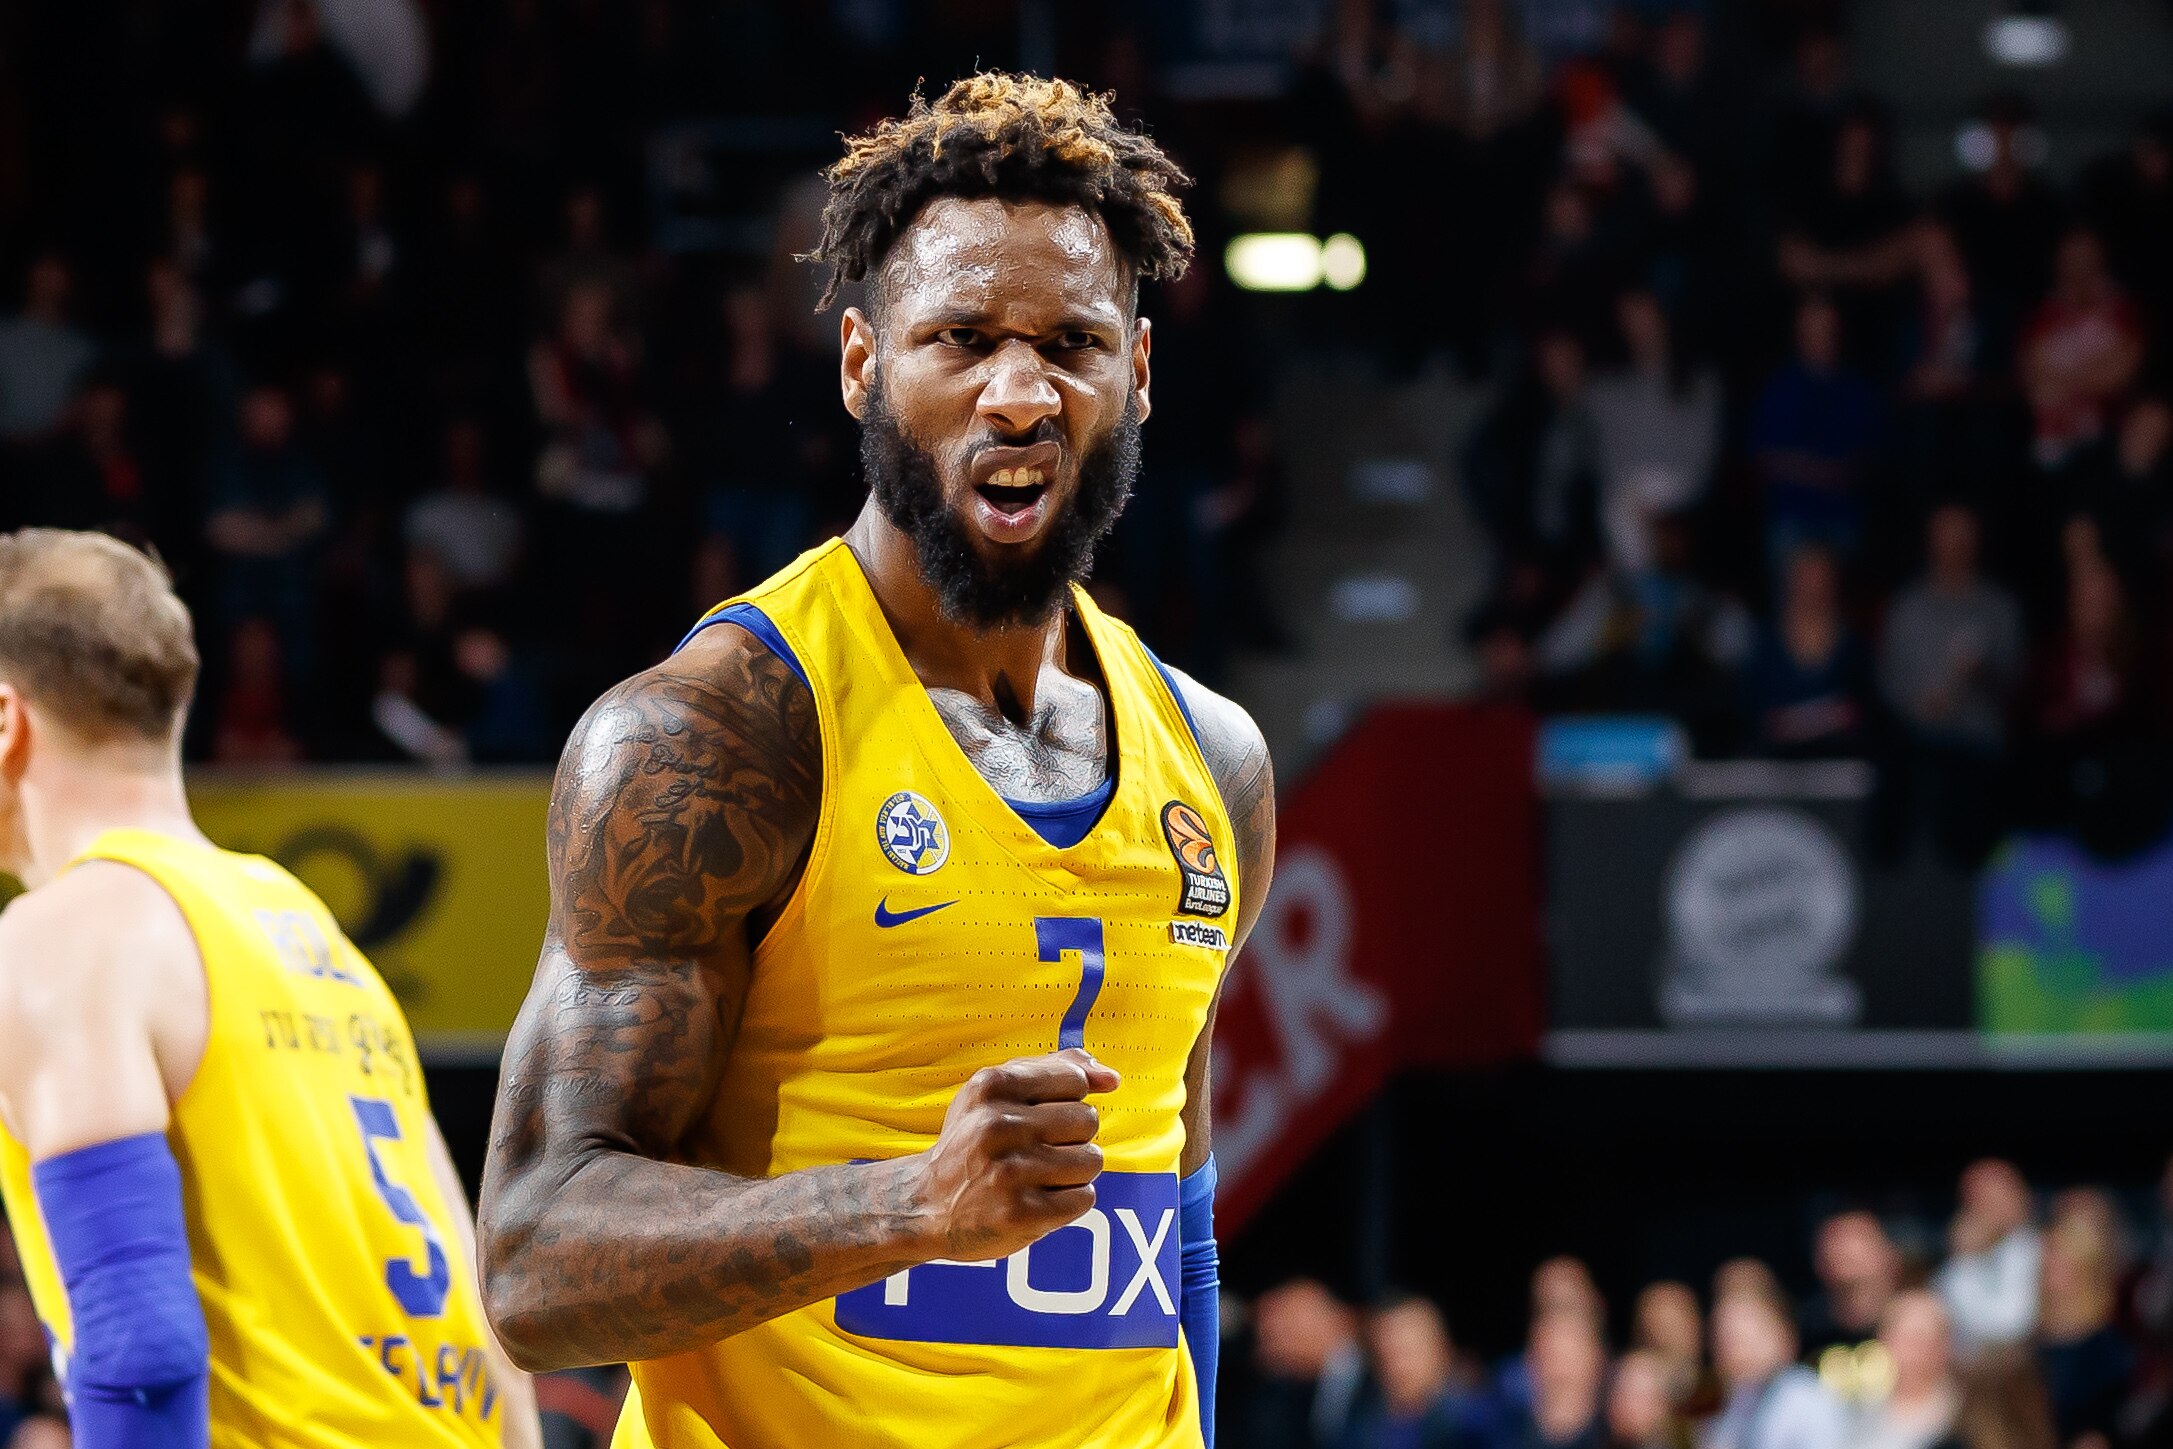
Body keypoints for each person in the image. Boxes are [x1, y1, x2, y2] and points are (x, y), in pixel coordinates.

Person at [476, 74, 1277, 1449]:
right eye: (960, 339)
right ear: (860, 362)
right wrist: (911, 1204)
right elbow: (535, 1262)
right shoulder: (715, 735)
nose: (1018, 393)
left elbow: (1176, 1237)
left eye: (1072, 344)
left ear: (1136, 375)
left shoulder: (1214, 762)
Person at [0, 529, 540, 1448]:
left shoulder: (64, 934)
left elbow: (140, 1351)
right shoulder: (312, 932)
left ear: (8, 720)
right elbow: (485, 1313)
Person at [1348, 1294, 1500, 1449]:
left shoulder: (1476, 1422)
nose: (1399, 1365)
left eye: (1409, 1352)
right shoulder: (1362, 1423)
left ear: (1441, 1349)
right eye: (1387, 1354)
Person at [1703, 1287, 1848, 1449]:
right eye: (1724, 1338)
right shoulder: (1738, 1401)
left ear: (1784, 1334)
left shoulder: (1804, 1394)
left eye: (1744, 1336)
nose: (1735, 1350)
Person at [1936, 1160, 2042, 1353]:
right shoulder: (1958, 1263)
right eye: (1981, 1200)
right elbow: (1944, 1319)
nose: (1991, 1210)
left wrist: (1967, 1262)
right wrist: (1965, 1259)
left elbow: (2012, 1325)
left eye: (1999, 1197)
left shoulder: (2042, 1252)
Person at [1849, 1291, 1960, 1449]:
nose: (1910, 1352)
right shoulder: (1862, 1403)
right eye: (1901, 1338)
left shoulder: (1961, 1411)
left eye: (1920, 1339)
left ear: (1944, 1347)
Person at [1802, 1212, 1906, 1360]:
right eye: (1838, 1262)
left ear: (1893, 1260)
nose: (1848, 1275)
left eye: (1857, 1262)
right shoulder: (1805, 1335)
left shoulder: (1923, 1329)